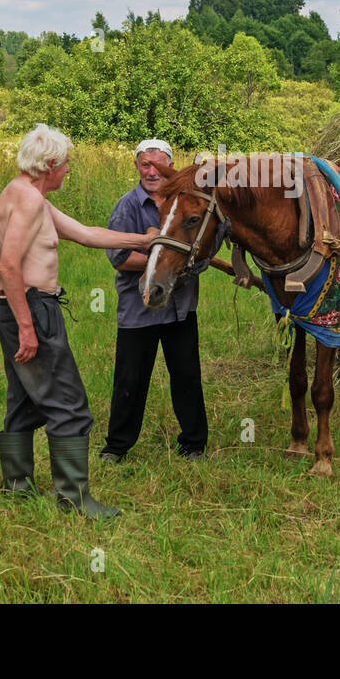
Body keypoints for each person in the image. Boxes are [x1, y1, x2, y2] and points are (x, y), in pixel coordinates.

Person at [0, 124, 157, 519]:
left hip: (16, 308)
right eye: (66, 164)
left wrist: (144, 240)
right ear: (50, 164)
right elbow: (8, 265)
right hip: (30, 310)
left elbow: (85, 234)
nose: (68, 171)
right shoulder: (30, 202)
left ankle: (17, 487)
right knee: (69, 403)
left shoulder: (24, 194)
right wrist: (29, 326)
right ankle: (74, 499)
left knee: (23, 399)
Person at [100, 139, 212, 462]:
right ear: (137, 166)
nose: (151, 172)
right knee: (129, 379)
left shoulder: (185, 204)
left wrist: (180, 261)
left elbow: (199, 248)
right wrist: (159, 260)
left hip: (180, 309)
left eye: (157, 165)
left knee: (187, 377)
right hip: (140, 309)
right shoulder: (128, 206)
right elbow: (119, 258)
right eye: (145, 165)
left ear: (170, 166)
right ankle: (117, 447)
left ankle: (193, 444)